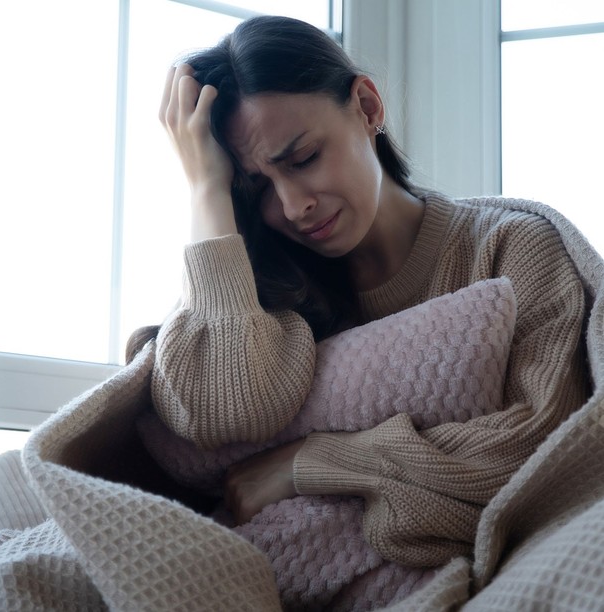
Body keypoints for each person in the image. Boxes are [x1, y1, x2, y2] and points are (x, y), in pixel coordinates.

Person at [132, 14, 590, 570]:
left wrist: (311, 460)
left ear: (368, 108)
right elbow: (219, 413)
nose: (293, 205)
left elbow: (546, 450)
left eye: (302, 159)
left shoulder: (512, 251)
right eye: (257, 192)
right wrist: (207, 190)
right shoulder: (261, 293)